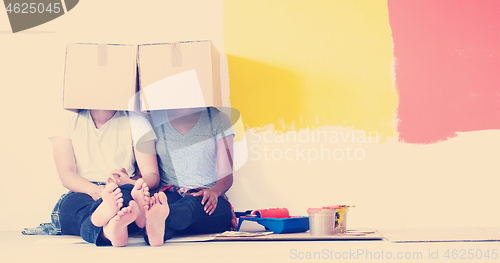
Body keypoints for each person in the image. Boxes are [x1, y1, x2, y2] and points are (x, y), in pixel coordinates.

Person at [50, 109, 159, 246]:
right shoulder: (67, 119)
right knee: (70, 206)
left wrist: (130, 182)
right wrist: (94, 190)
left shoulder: (137, 121)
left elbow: (152, 176)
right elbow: (66, 174)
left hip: (122, 188)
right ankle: (114, 227)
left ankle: (110, 228)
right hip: (84, 189)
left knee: (125, 203)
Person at [137, 106, 236, 246]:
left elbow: (227, 175)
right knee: (163, 205)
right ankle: (158, 226)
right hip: (169, 195)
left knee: (191, 203)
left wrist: (215, 191)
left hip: (207, 199)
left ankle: (160, 218)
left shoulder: (218, 119)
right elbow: (146, 169)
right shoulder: (154, 119)